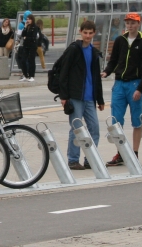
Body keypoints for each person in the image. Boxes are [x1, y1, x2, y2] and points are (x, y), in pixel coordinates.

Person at [59, 20, 105, 170]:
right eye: (85, 32)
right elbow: (63, 72)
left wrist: (100, 99)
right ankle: (73, 159)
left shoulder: (93, 51)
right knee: (77, 128)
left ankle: (90, 158)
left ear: (94, 33)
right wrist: (64, 96)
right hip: (75, 96)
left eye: (90, 33)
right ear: (80, 32)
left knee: (94, 128)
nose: (88, 35)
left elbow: (96, 78)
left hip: (90, 97)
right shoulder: (74, 49)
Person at [101, 12, 142, 166]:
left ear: (138, 24)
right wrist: (106, 71)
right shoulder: (120, 40)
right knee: (116, 121)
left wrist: (140, 88)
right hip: (119, 83)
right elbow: (114, 61)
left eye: (133, 23)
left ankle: (135, 153)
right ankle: (121, 153)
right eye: (128, 23)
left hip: (135, 84)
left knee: (137, 120)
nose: (130, 25)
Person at [20, 14, 39, 82]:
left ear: (32, 20)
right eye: (27, 19)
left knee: (31, 60)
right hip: (26, 45)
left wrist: (26, 38)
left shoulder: (35, 27)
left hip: (32, 46)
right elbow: (23, 34)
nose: (28, 20)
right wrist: (25, 27)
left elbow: (33, 37)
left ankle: (32, 75)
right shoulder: (27, 26)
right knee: (23, 60)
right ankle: (25, 75)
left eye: (29, 19)